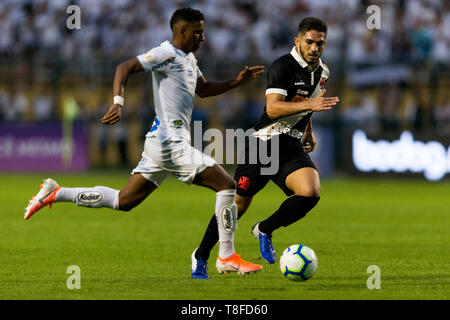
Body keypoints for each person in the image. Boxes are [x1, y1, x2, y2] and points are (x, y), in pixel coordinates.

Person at [24, 7, 265, 280]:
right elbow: (124, 68)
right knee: (227, 185)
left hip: (161, 143)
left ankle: (56, 193)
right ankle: (226, 255)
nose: (203, 37)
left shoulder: (188, 58)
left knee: (123, 201)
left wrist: (236, 82)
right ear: (181, 31)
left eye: (203, 31)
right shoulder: (165, 54)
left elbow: (204, 89)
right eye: (197, 32)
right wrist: (118, 102)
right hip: (168, 141)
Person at [194, 17, 339, 265]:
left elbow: (309, 103)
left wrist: (309, 130)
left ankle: (264, 228)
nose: (315, 47)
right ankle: (201, 255)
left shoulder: (323, 71)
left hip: (291, 144)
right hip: (264, 143)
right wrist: (310, 106)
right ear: (298, 41)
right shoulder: (282, 66)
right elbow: (272, 109)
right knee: (238, 205)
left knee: (310, 192)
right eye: (310, 42)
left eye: (320, 43)